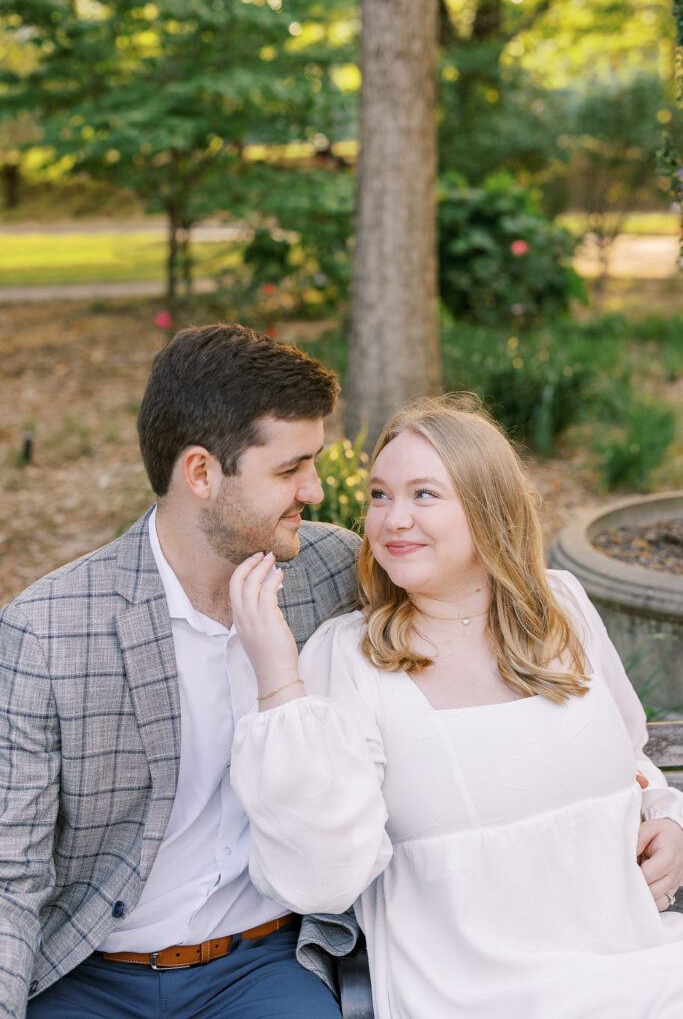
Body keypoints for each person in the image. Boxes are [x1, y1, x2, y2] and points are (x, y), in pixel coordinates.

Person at [230, 394, 683, 1019]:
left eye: (423, 495)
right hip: (477, 990)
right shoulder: (352, 656)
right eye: (379, 495)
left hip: (631, 953)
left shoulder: (562, 606)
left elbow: (631, 753)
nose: (392, 521)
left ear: (486, 506)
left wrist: (667, 813)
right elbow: (318, 877)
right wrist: (280, 683)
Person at [0, 323, 362, 1019]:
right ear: (200, 473)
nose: (314, 491)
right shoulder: (48, 632)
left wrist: (640, 798)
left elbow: (468, 654)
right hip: (91, 974)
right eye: (289, 470)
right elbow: (9, 878)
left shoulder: (330, 572)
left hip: (261, 965)